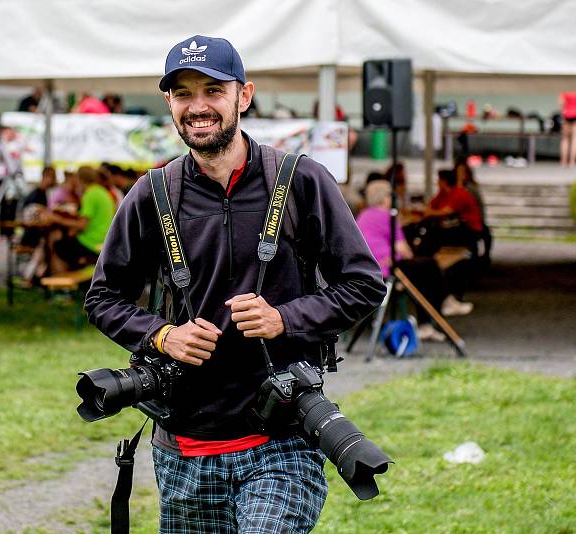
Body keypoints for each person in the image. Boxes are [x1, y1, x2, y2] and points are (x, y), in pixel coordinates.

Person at [84, 35, 386, 532]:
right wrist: (164, 336)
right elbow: (103, 297)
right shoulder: (152, 193)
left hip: (282, 437)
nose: (198, 106)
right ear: (169, 103)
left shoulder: (301, 181)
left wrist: (284, 318)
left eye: (212, 90)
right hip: (184, 447)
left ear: (244, 96)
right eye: (183, 93)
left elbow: (363, 283)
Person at [356, 181, 473, 342]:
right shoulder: (388, 217)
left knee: (422, 276)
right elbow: (403, 250)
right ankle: (442, 305)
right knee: (429, 267)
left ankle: (429, 322)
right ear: (384, 198)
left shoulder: (364, 215)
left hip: (368, 268)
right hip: (387, 267)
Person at [47, 165, 115, 272]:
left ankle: (62, 282)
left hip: (91, 242)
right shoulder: (103, 192)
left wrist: (56, 219)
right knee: (67, 243)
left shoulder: (90, 194)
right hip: (104, 240)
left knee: (57, 245)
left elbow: (82, 225)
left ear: (80, 179)